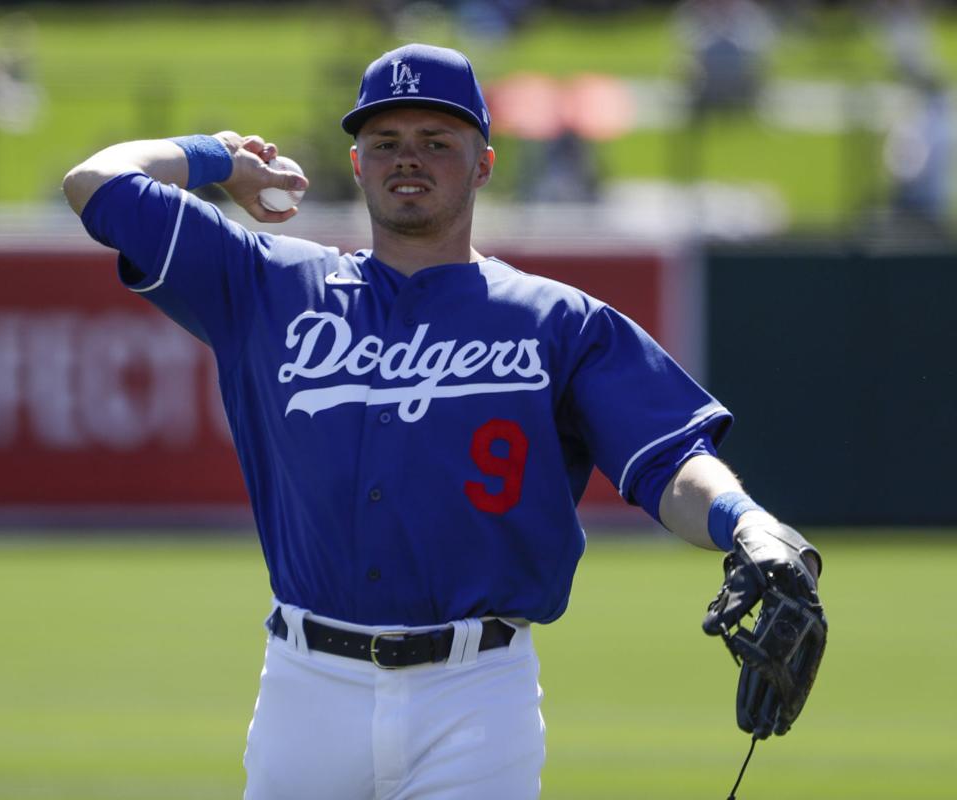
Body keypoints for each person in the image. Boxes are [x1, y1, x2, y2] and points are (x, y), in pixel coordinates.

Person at [63, 43, 824, 800]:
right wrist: (217, 158)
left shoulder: (554, 321)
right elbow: (95, 183)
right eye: (385, 142)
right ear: (356, 164)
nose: (408, 160)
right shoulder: (268, 285)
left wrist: (747, 524)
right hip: (306, 687)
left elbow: (667, 460)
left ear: (484, 163)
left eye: (436, 142)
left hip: (476, 696)